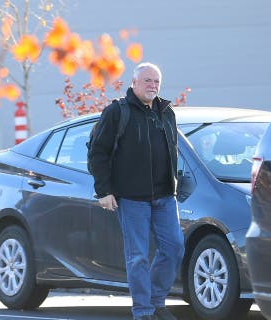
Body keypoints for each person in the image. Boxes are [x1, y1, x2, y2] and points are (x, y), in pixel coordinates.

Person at [88, 62, 185, 320]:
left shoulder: (167, 112)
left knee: (174, 248)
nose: (152, 85)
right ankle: (143, 311)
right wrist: (104, 190)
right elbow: (98, 153)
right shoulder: (117, 112)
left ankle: (156, 301)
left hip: (165, 196)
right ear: (133, 83)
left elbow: (172, 151)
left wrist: (177, 183)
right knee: (138, 257)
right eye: (147, 80)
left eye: (156, 81)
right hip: (132, 198)